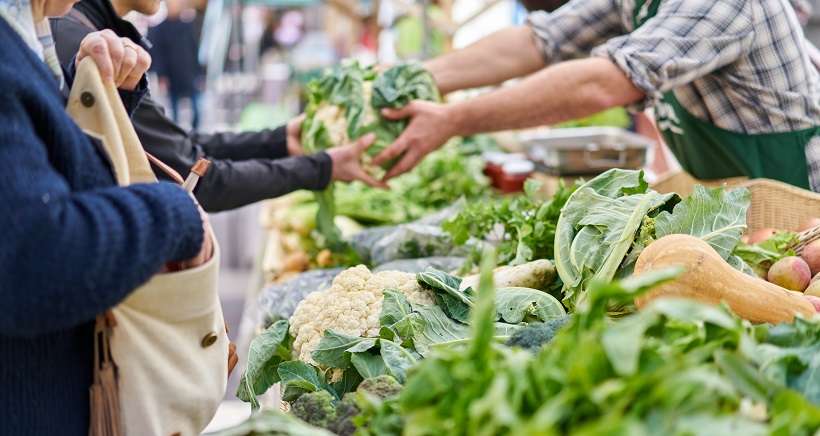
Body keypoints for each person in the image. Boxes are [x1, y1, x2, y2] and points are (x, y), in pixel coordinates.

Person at [0, 0, 213, 432]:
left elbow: (50, 176)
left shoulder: (29, 33)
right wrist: (175, 213)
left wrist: (97, 99)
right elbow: (36, 258)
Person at [374, 0, 820, 192]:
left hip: (802, 206)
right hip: (738, 200)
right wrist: (412, 79)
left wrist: (454, 120)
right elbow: (539, 40)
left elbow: (605, 81)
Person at [51, 0, 385, 213]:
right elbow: (197, 181)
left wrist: (280, 140)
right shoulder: (78, 42)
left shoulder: (92, 31)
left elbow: (183, 149)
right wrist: (321, 168)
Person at [146, 0, 202, 128]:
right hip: (172, 75)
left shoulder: (187, 26)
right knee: (174, 108)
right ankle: (177, 132)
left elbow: (194, 49)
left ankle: (196, 131)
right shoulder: (160, 29)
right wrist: (161, 76)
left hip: (189, 73)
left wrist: (199, 72)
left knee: (196, 107)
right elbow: (158, 54)